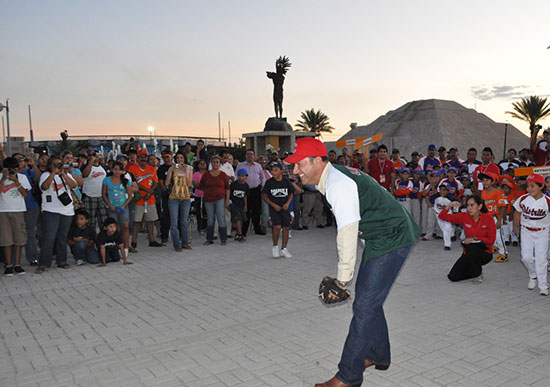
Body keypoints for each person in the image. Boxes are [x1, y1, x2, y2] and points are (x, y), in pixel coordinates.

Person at [286, 138, 420, 387]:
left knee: (364, 307)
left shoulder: (338, 183)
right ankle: (377, 355)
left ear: (317, 160)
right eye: (292, 166)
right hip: (381, 238)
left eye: (298, 164)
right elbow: (364, 216)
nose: (295, 171)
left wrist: (342, 279)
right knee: (368, 302)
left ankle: (348, 376)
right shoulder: (332, 178)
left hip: (392, 238)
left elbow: (346, 232)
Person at [438, 196, 496, 283]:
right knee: (453, 277)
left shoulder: (488, 218)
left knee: (470, 245)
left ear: (480, 206)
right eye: (468, 205)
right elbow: (442, 216)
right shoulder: (464, 216)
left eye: (472, 205)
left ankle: (478, 274)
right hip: (468, 253)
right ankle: (474, 270)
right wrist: (449, 206)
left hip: (485, 253)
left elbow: (491, 240)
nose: (469, 208)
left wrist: (475, 238)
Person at [36, 156, 77, 274]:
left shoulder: (65, 174)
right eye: (55, 164)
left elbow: (74, 185)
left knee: (62, 237)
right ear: (50, 165)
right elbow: (44, 187)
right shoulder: (45, 175)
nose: (58, 166)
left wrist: (63, 174)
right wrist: (53, 173)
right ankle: (43, 263)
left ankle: (62, 261)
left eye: (60, 164)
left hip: (66, 210)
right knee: (49, 237)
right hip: (51, 210)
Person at [513, 174, 550, 295]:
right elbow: (517, 212)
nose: (529, 189)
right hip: (526, 231)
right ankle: (533, 275)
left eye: (533, 186)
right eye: (528, 186)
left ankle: (543, 285)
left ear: (541, 186)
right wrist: (515, 226)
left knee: (541, 260)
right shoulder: (523, 199)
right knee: (526, 257)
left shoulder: (547, 201)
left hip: (542, 232)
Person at [0, 157, 31, 276]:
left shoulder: (22, 177)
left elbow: (25, 194)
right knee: (6, 239)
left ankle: (17, 264)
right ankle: (8, 265)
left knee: (18, 238)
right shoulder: (0, 176)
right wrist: (4, 177)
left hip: (18, 210)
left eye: (13, 169)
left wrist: (16, 181)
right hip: (3, 210)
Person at [128, 150, 162, 248]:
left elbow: (155, 182)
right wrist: (147, 190)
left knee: (150, 220)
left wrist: (151, 191)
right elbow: (132, 182)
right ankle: (133, 241)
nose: (143, 159)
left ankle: (151, 240)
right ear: (137, 159)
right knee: (137, 221)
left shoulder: (151, 169)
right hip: (138, 199)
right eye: (141, 157)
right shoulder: (132, 168)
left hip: (150, 199)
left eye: (145, 157)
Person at [262, 162, 294, 258]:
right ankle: (275, 246)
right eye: (272, 170)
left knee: (286, 227)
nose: (273, 172)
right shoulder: (269, 182)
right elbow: (265, 196)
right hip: (274, 208)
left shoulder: (286, 181)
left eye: (276, 170)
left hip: (284, 207)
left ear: (281, 171)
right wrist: (273, 205)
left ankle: (284, 248)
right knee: (277, 227)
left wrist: (287, 204)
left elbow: (291, 193)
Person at [102, 161, 133, 256]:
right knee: (114, 228)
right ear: (112, 169)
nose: (117, 171)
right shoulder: (106, 180)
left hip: (123, 207)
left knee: (125, 227)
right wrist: (109, 204)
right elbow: (103, 194)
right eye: (115, 169)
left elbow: (130, 195)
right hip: (112, 208)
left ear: (122, 171)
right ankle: (116, 247)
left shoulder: (125, 181)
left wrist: (124, 205)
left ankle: (126, 247)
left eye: (119, 169)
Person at [165, 152, 193, 251]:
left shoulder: (189, 168)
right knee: (174, 222)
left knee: (184, 221)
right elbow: (167, 183)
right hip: (174, 197)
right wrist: (171, 171)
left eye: (182, 158)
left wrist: (185, 172)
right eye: (178, 158)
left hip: (185, 198)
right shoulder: (171, 168)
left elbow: (189, 184)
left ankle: (185, 243)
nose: (180, 160)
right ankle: (177, 245)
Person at [199, 155, 230, 245]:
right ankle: (209, 238)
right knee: (210, 219)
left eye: (217, 162)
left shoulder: (223, 175)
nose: (215, 164)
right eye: (214, 162)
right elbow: (201, 185)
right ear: (211, 163)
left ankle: (223, 238)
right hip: (208, 199)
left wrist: (227, 200)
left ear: (220, 164)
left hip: (220, 199)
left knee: (221, 218)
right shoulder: (206, 174)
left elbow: (227, 188)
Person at [479, 172, 508, 262]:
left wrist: (500, 220)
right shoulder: (483, 192)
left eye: (487, 180)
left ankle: (504, 253)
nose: (485, 182)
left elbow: (503, 206)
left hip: (496, 216)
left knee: (498, 235)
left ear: (492, 181)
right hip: (487, 216)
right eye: (483, 180)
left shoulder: (498, 192)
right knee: (489, 234)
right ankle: (494, 246)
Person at [237, 149, 266, 236]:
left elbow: (262, 178)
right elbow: (236, 176)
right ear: (245, 156)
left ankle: (257, 229)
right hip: (244, 190)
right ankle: (244, 230)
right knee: (245, 210)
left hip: (256, 190)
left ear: (254, 156)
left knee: (256, 211)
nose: (249, 156)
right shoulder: (240, 165)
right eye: (247, 154)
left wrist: (263, 187)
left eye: (251, 154)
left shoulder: (258, 166)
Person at [81, 150, 107, 231]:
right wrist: (90, 162)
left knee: (103, 221)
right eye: (92, 155)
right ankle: (90, 240)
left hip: (100, 197)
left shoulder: (102, 168)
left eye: (96, 154)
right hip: (89, 197)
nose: (95, 156)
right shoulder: (85, 166)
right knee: (90, 222)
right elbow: (85, 174)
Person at [156, 151, 174, 244]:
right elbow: (161, 183)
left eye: (168, 157)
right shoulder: (161, 169)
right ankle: (164, 236)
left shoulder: (176, 166)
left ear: (171, 157)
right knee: (165, 216)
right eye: (164, 157)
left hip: (177, 195)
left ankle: (179, 236)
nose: (166, 159)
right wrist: (167, 190)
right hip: (167, 195)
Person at [433, 184, 455, 251]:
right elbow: (428, 198)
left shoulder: (451, 198)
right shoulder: (436, 196)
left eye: (444, 190)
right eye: (441, 190)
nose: (442, 191)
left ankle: (447, 245)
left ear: (448, 191)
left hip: (447, 215)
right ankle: (451, 233)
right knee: (444, 229)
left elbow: (456, 203)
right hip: (438, 215)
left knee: (447, 228)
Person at [230, 169, 250, 242]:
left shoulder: (246, 186)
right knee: (237, 218)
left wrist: (246, 205)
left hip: (241, 204)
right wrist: (229, 202)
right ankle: (240, 234)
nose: (241, 178)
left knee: (242, 219)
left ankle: (238, 233)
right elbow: (229, 194)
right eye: (240, 176)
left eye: (243, 176)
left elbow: (245, 196)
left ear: (246, 177)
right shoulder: (234, 184)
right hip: (234, 204)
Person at [192, 159, 208, 233]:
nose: (202, 165)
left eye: (204, 164)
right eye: (201, 164)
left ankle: (205, 226)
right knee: (199, 211)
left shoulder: (208, 173)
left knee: (206, 212)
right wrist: (203, 187)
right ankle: (200, 226)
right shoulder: (196, 174)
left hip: (207, 195)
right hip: (198, 195)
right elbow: (196, 184)